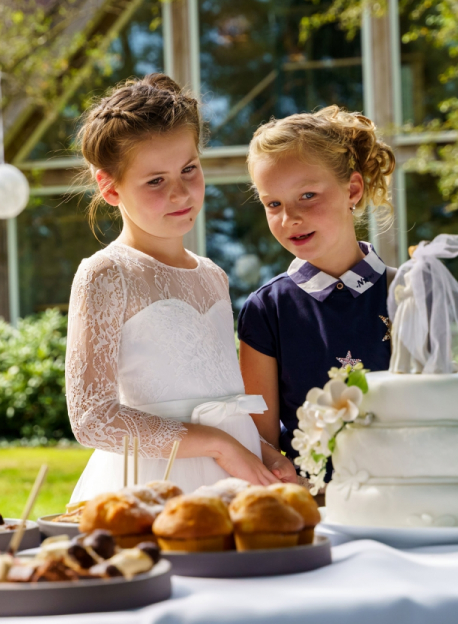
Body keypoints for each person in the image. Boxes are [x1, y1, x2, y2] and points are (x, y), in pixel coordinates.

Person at [65, 73, 296, 501]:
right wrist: (219, 445)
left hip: (236, 473)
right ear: (110, 187)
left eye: (189, 169)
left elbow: (215, 395)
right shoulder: (107, 274)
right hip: (157, 481)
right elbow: (91, 418)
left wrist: (262, 451)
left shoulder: (212, 275)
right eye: (155, 180)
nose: (180, 192)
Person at [237, 106, 397, 485]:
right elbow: (259, 437)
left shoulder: (407, 292)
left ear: (352, 190)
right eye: (272, 204)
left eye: (307, 195)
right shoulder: (266, 309)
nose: (289, 218)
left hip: (407, 494)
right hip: (314, 503)